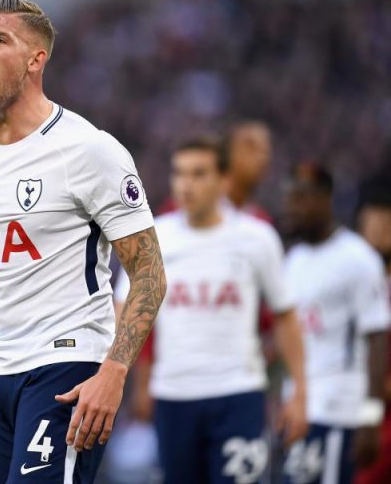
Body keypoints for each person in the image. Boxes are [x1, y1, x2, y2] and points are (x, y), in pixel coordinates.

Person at [0, 0, 166, 483]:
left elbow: (150, 273)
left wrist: (113, 371)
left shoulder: (88, 150)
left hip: (65, 366)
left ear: (36, 60)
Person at [114, 137, 308, 484]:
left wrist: (300, 393)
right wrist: (112, 376)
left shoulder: (257, 237)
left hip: (238, 394)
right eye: (179, 173)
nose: (186, 184)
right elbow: (124, 312)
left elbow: (285, 317)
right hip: (173, 396)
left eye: (199, 173)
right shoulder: (154, 238)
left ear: (224, 180)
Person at [282, 164, 390, 484]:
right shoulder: (294, 259)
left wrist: (371, 414)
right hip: (301, 407)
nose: (292, 207)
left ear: (325, 199)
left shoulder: (358, 259)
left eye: (301, 198)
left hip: (338, 410)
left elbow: (377, 337)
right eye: (290, 198)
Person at [354, 177, 391, 484]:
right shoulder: (347, 284)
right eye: (372, 223)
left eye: (386, 223)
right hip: (356, 412)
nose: (379, 232)